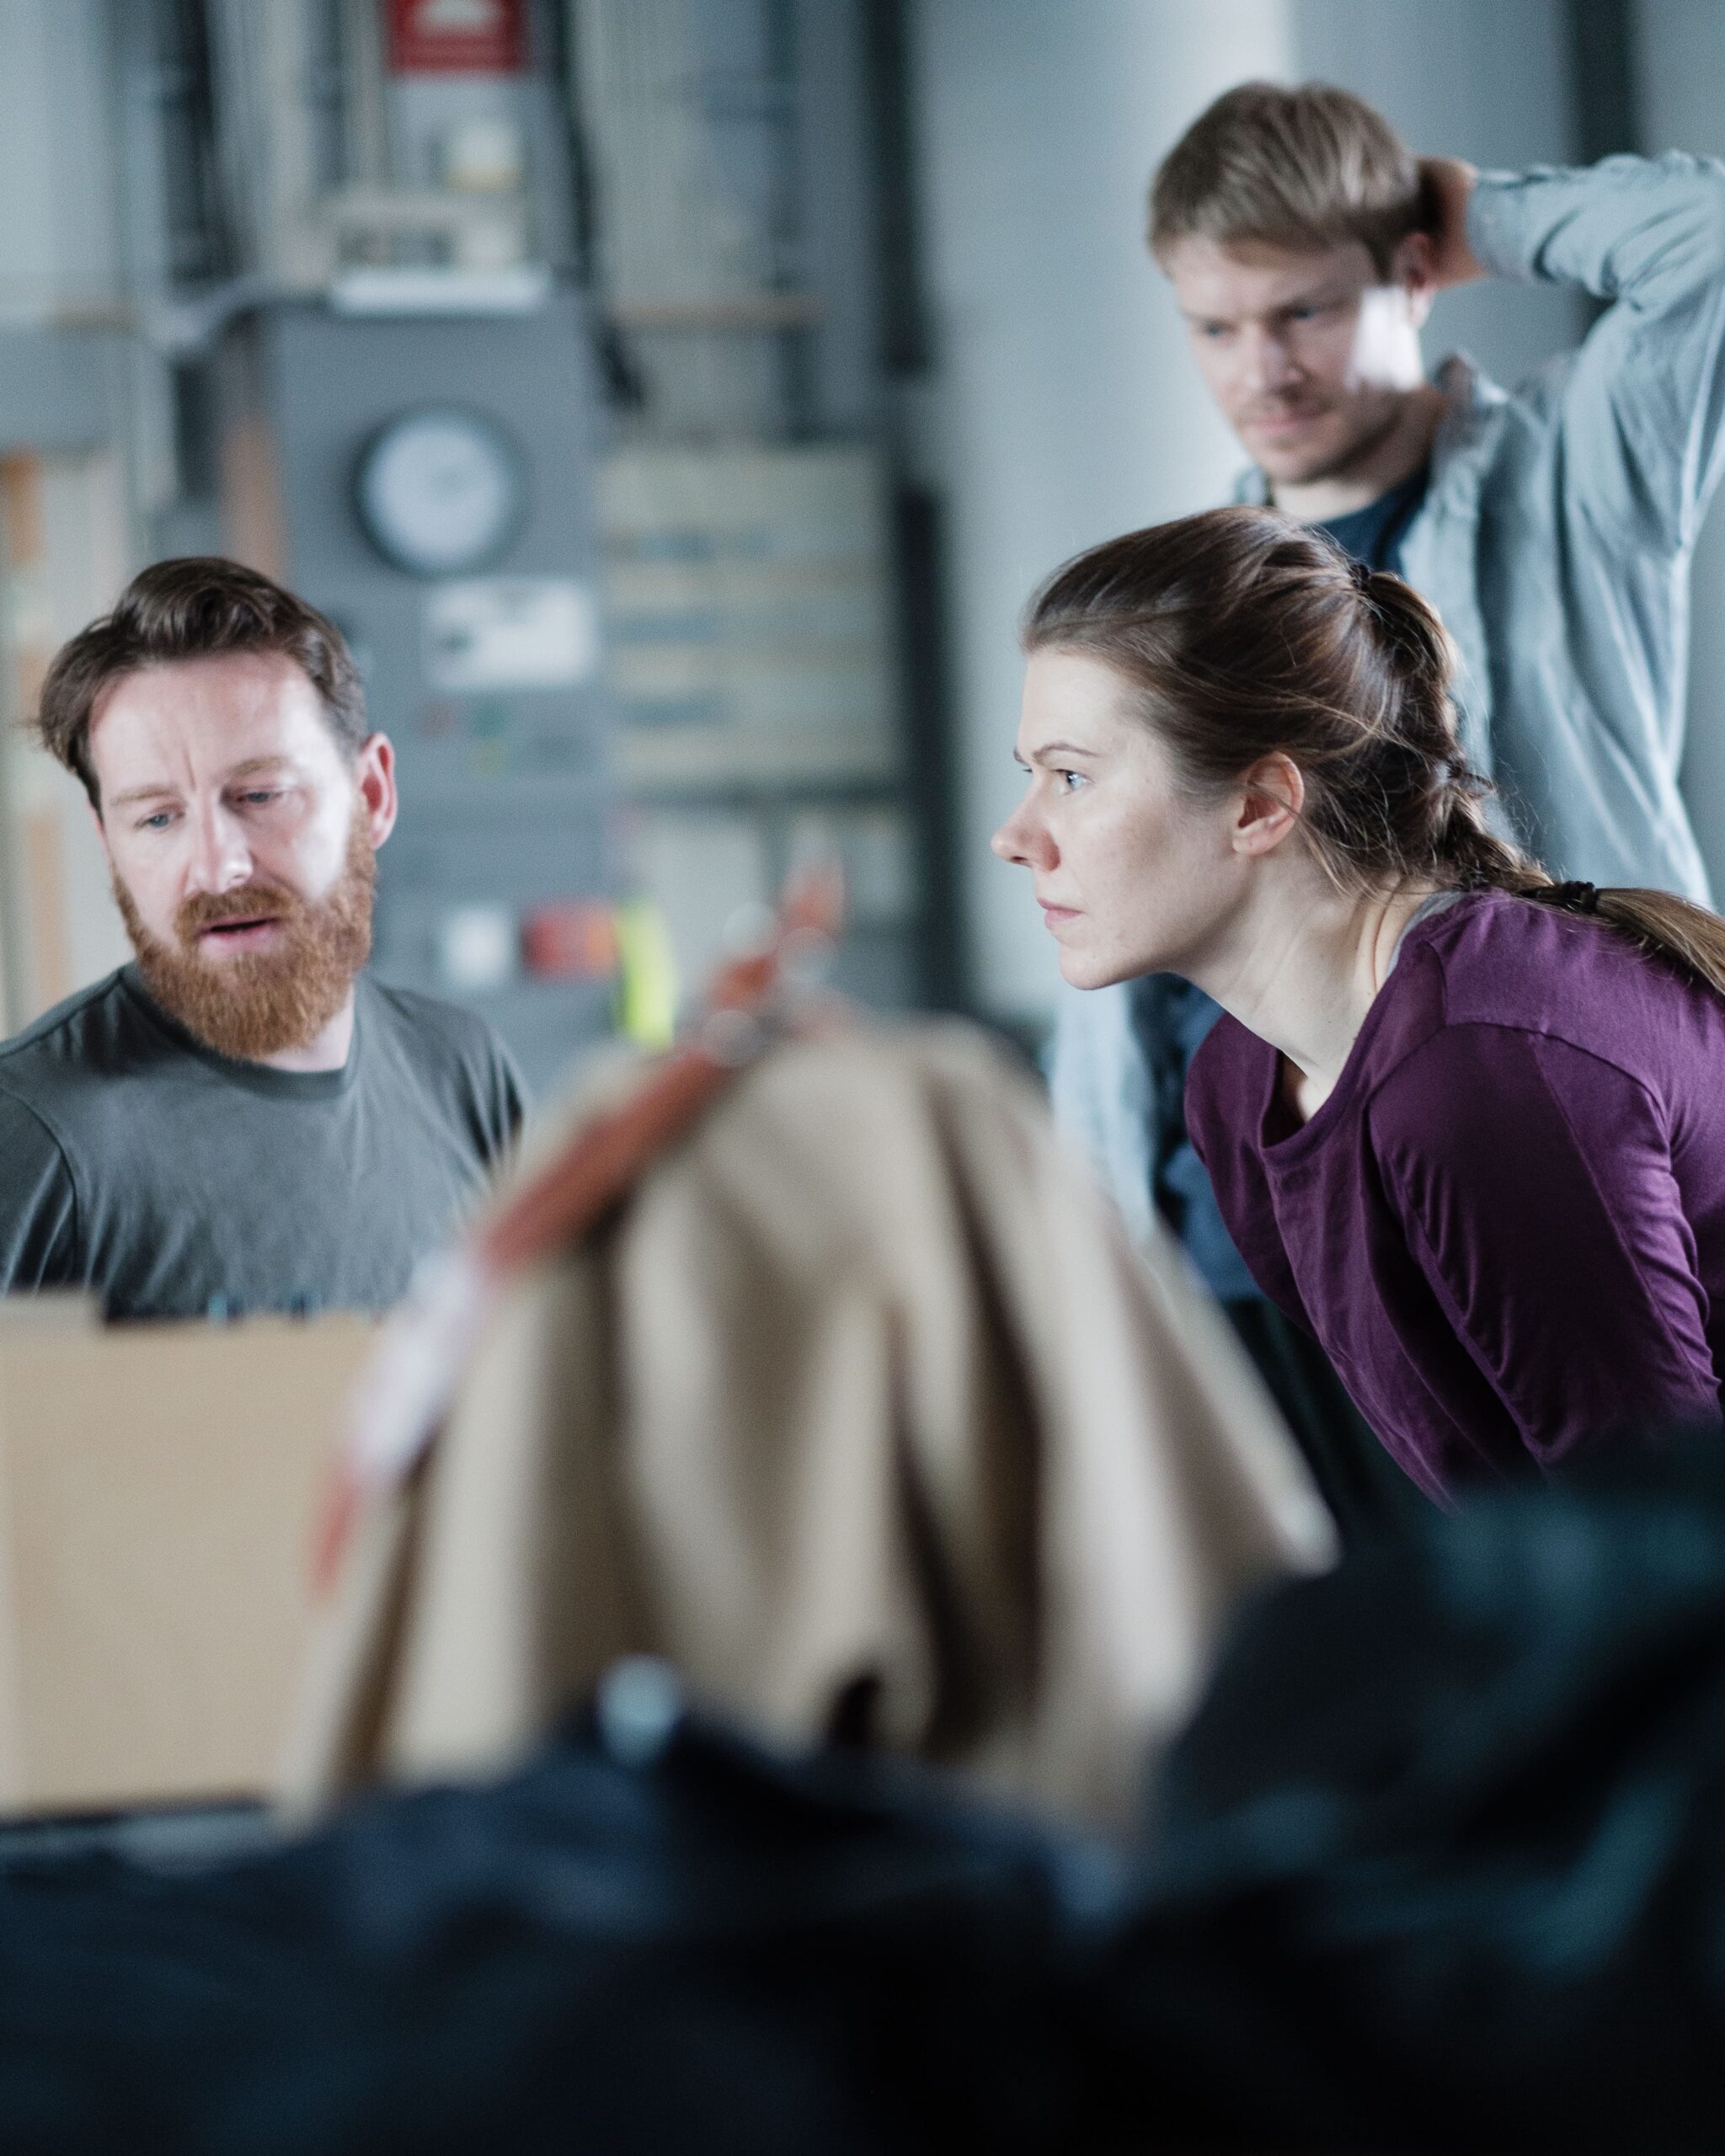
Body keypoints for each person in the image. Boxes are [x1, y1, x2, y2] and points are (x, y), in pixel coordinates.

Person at [1049, 83, 1725, 1534]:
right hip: (1239, 1235)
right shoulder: (1212, 586)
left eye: (1300, 311)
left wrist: (1472, 211)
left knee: (1584, 1587)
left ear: (1407, 276)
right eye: (1215, 327)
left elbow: (1709, 240)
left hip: (1500, 1155)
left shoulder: (1565, 482)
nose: (1260, 370)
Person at [996, 504, 1725, 1505]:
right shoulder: (1240, 1086)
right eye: (1031, 777)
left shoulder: (1480, 1075)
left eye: (1070, 777)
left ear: (1258, 805)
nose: (1016, 835)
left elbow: (1670, 1546)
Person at [0, 557, 525, 1320]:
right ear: (110, 842)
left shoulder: (462, 1075)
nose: (216, 868)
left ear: (371, 795)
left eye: (259, 796)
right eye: (157, 818)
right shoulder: (35, 1136)